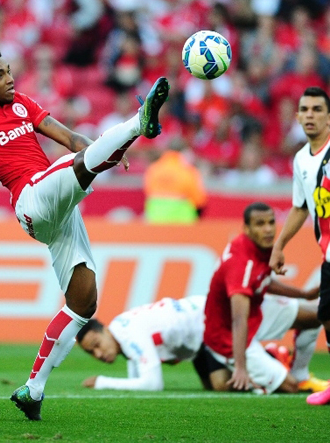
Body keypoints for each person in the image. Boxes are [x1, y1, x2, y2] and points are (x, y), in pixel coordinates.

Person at [0, 43, 170, 420]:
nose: (9, 78)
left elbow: (72, 139)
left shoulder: (21, 102)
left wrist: (105, 150)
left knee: (83, 304)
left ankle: (34, 388)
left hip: (59, 209)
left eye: (9, 70)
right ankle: (137, 122)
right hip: (31, 200)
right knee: (74, 166)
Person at [76, 293, 326, 392]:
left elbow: (152, 383)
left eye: (97, 343)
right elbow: (140, 373)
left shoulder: (128, 334)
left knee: (289, 385)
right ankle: (269, 358)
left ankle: (276, 358)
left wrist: (102, 382)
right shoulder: (123, 332)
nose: (98, 353)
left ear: (105, 329)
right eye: (92, 353)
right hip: (200, 340)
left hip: (216, 320)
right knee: (219, 386)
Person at [200, 202, 319, 394]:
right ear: (246, 228)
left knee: (318, 314)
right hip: (228, 335)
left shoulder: (256, 247)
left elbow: (262, 282)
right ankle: (271, 357)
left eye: (271, 222)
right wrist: (241, 367)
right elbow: (238, 320)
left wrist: (304, 294)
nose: (268, 229)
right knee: (290, 388)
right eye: (260, 224)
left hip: (254, 314)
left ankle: (301, 374)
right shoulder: (242, 264)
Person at [270, 86, 330, 405]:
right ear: (297, 116)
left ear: (329, 117)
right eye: (304, 110)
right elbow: (300, 207)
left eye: (317, 110)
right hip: (328, 251)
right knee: (327, 314)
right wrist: (280, 245)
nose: (310, 115)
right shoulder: (301, 160)